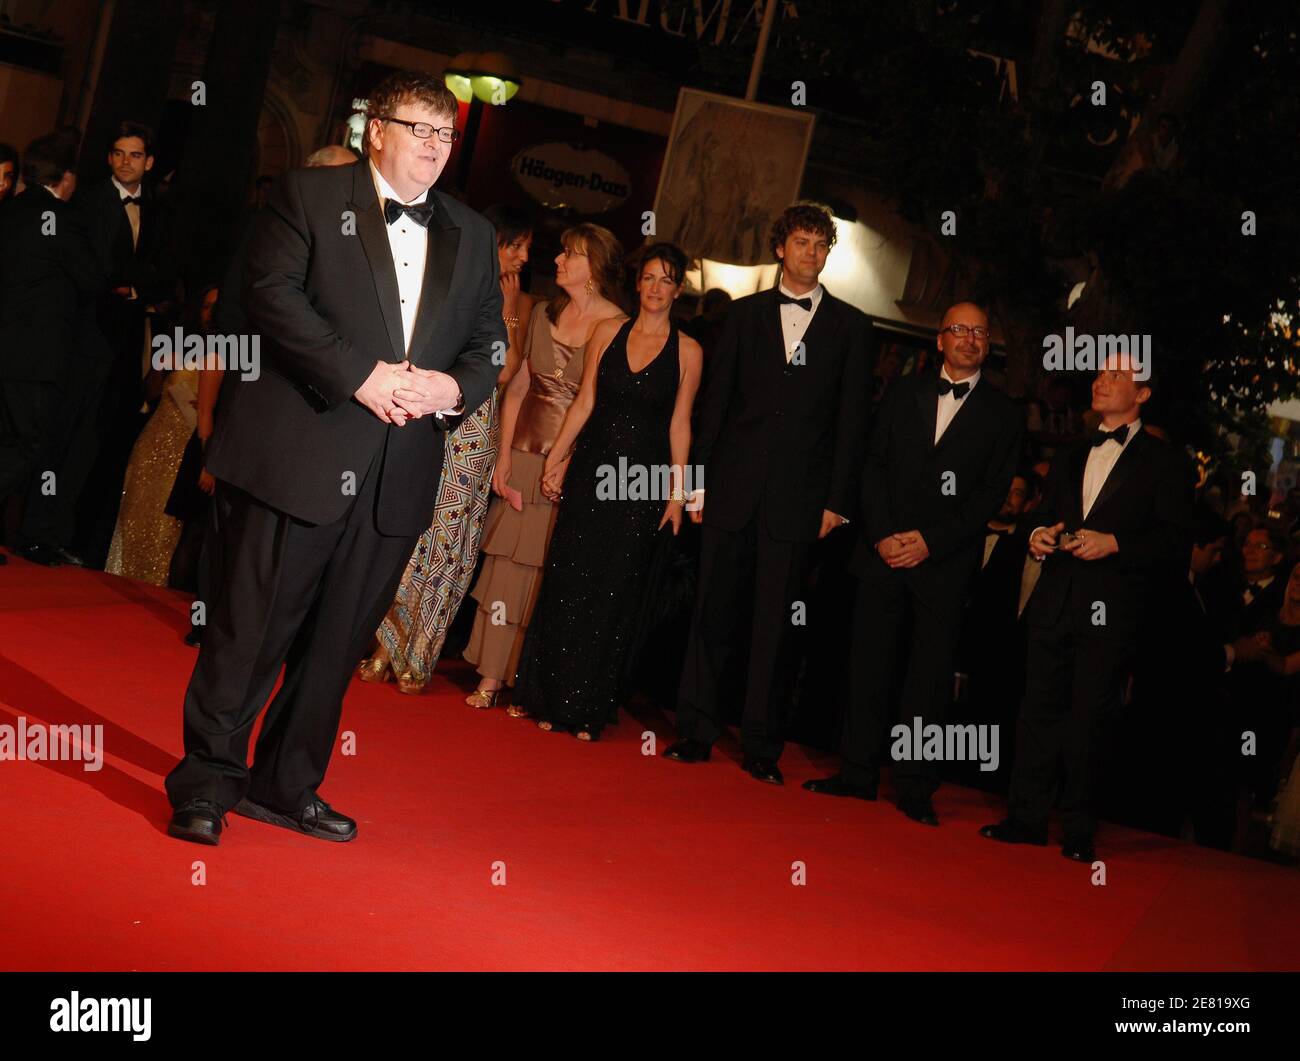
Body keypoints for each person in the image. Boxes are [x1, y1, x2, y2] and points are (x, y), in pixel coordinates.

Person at [164, 69, 503, 845]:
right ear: (375, 129)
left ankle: (287, 786)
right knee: (249, 634)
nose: (434, 146)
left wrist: (453, 385)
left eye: (445, 133)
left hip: (398, 477)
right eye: (419, 128)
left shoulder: (473, 233)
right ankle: (207, 784)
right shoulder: (307, 197)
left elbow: (491, 341)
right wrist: (363, 376)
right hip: (301, 457)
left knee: (335, 650)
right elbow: (274, 298)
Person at [663, 201, 870, 784]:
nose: (810, 251)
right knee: (711, 615)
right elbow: (717, 406)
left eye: (820, 244)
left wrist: (836, 501)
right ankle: (696, 732)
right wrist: (696, 483)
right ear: (780, 248)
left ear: (827, 253)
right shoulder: (746, 316)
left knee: (777, 629)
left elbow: (853, 424)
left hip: (799, 502)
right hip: (730, 490)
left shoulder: (852, 328)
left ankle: (761, 747)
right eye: (801, 241)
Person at [804, 302, 1023, 824]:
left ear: (986, 345)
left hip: (943, 565)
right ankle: (855, 772)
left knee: (927, 681)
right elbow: (871, 464)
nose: (969, 339)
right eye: (959, 330)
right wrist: (881, 535)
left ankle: (915, 786)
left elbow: (990, 495)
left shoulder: (1005, 414)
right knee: (867, 668)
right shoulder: (903, 393)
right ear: (939, 341)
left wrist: (930, 541)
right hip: (881, 554)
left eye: (979, 332)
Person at [982, 354, 1194, 862]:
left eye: (1117, 376)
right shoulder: (1073, 451)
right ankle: (1025, 817)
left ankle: (1079, 829)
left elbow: (1174, 543)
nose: (1101, 381)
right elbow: (1046, 512)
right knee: (1036, 712)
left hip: (1113, 608)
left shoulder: (1165, 462)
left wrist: (1115, 542)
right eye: (1100, 373)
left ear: (1142, 394)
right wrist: (1038, 534)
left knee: (1090, 720)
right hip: (1055, 598)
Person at [513, 243, 702, 739]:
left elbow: (682, 426)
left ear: (677, 290)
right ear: (637, 283)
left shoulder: (689, 351)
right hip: (592, 472)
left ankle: (588, 707)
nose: (656, 287)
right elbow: (585, 402)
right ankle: (547, 696)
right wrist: (557, 457)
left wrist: (678, 495)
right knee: (569, 580)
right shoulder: (606, 332)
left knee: (614, 594)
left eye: (667, 280)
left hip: (642, 486)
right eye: (649, 278)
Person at [357, 204, 534, 692]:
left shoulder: (517, 298)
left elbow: (504, 369)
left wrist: (511, 315)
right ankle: (381, 644)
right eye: (515, 246)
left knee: (448, 539)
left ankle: (418, 652)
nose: (521, 258)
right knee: (411, 526)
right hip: (431, 415)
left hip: (475, 427)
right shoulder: (456, 278)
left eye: (525, 251)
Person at [460, 224, 626, 710]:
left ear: (594, 265)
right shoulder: (544, 313)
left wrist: (568, 460)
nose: (556, 261)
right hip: (524, 455)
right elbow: (518, 386)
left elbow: (603, 407)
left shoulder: (615, 325)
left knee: (545, 575)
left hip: (569, 465)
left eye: (569, 255)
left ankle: (526, 679)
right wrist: (503, 453)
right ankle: (491, 676)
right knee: (506, 571)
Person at [66, 121, 177, 569]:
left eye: (134, 155)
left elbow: (165, 272)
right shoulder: (89, 203)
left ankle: (87, 542)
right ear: (109, 158)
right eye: (118, 153)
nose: (125, 161)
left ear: (148, 163)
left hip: (129, 343)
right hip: (86, 336)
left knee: (109, 440)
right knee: (72, 434)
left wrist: (134, 289)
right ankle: (49, 531)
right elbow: (97, 271)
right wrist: (131, 283)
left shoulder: (159, 210)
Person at [0, 134, 102, 552]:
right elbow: (93, 278)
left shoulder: (8, 213)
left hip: (7, 353)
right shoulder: (60, 219)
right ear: (65, 179)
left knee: (5, 439)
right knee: (26, 444)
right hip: (35, 361)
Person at [105, 285, 220, 585]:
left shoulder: (229, 353)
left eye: (216, 307)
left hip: (188, 444)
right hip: (157, 436)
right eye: (206, 306)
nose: (210, 313)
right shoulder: (179, 344)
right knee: (138, 511)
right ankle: (121, 581)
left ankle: (156, 590)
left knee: (170, 526)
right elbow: (149, 391)